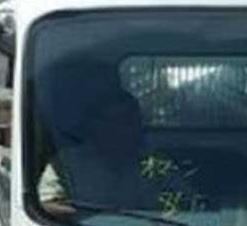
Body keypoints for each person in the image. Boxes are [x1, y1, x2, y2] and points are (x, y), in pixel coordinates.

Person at [37, 82, 159, 211]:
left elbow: (177, 200)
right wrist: (84, 215)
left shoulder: (154, 162)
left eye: (128, 121)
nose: (121, 128)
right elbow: (45, 205)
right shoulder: (67, 162)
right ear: (95, 125)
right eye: (113, 121)